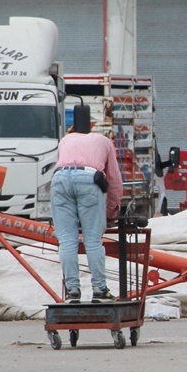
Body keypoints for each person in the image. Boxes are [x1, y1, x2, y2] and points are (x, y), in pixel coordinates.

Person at [52, 105, 123, 303]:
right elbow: (114, 182)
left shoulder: (65, 140)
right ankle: (100, 290)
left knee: (66, 240)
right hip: (89, 179)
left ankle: (72, 290)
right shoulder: (104, 141)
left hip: (59, 179)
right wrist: (111, 213)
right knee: (93, 240)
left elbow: (64, 166)